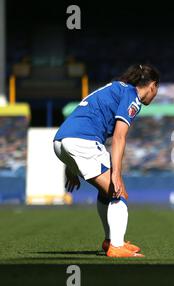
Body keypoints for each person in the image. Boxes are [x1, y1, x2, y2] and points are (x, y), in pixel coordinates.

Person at [53, 64, 160, 257]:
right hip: (82, 141)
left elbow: (81, 117)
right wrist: (116, 175)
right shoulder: (132, 98)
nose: (155, 95)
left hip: (60, 141)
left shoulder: (117, 88)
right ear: (152, 86)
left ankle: (111, 240)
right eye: (156, 90)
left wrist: (70, 167)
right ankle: (116, 246)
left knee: (106, 193)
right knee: (118, 193)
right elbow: (119, 137)